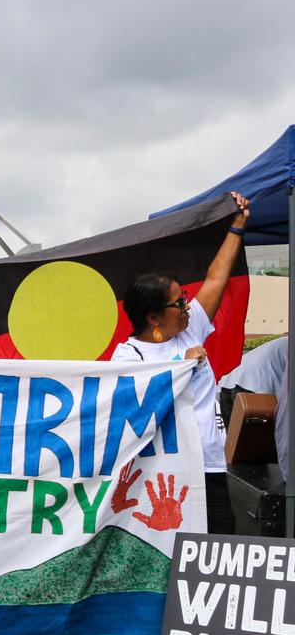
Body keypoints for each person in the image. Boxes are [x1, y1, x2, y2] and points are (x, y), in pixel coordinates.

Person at [110, 191, 250, 535]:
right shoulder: (128, 356)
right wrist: (180, 369)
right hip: (162, 473)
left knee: (219, 550)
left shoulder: (193, 329)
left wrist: (237, 226)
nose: (188, 307)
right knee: (170, 554)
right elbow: (134, 410)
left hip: (210, 466)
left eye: (185, 299)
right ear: (154, 317)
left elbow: (216, 278)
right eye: (178, 304)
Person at [217, 335, 286, 427]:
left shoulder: (283, 343)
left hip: (228, 383)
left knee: (234, 439)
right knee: (262, 438)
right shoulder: (287, 345)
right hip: (253, 386)